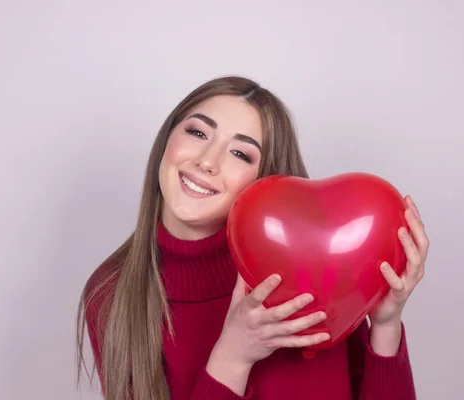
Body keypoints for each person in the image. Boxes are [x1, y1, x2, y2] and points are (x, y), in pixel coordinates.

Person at [75, 76, 429, 400]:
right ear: (167, 139)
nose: (207, 161)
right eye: (198, 133)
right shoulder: (110, 293)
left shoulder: (312, 269)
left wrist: (384, 323)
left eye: (240, 154)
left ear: (266, 181)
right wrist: (233, 354)